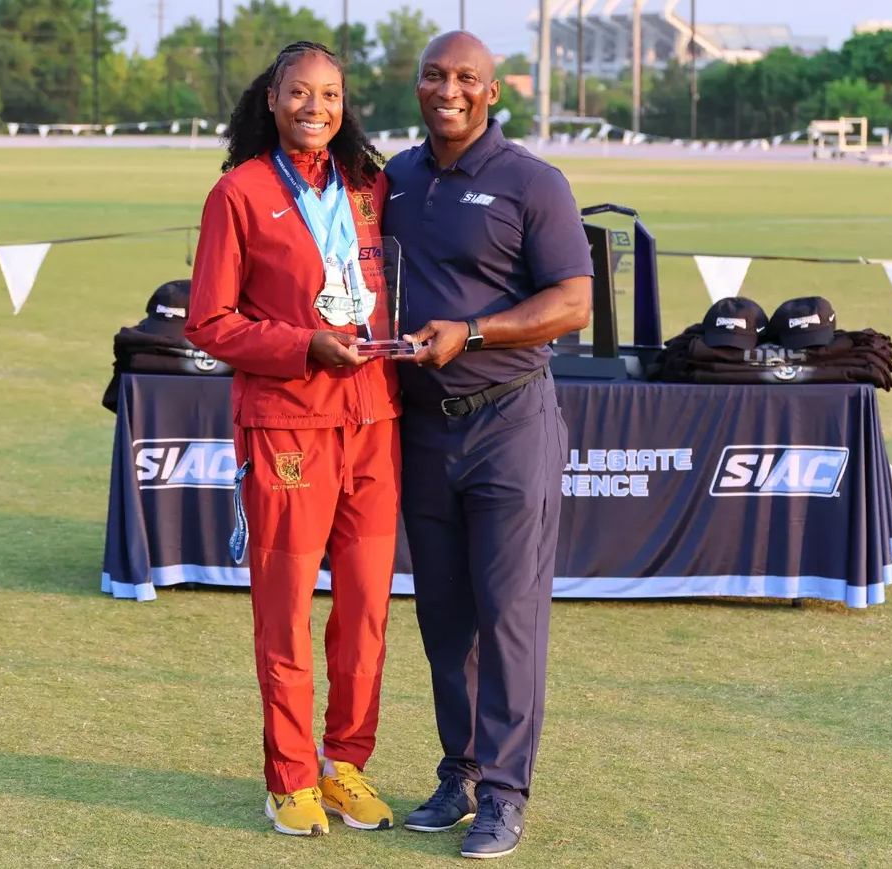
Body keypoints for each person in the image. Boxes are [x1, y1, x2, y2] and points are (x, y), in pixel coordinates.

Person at [382, 31, 594, 861]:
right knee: (443, 617)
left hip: (509, 420)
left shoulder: (532, 181)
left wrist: (471, 333)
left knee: (508, 615)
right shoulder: (393, 179)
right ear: (418, 85)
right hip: (422, 425)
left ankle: (505, 793)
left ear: (493, 91)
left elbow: (574, 301)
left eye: (466, 77)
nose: (449, 90)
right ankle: (460, 771)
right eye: (435, 76)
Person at [184, 41, 400, 838]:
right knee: (285, 612)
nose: (317, 107)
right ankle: (289, 779)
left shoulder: (370, 187)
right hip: (286, 428)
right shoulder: (238, 193)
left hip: (375, 420)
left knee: (368, 609)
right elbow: (210, 322)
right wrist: (304, 344)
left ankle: (345, 765)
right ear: (270, 99)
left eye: (332, 94)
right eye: (301, 93)